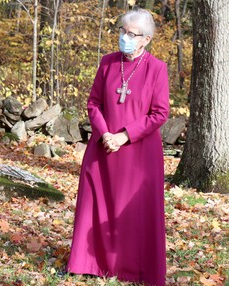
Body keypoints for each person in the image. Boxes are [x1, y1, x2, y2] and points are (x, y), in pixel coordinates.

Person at [66, 8, 169, 286]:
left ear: (145, 39)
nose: (125, 37)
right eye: (122, 31)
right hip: (103, 146)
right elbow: (93, 103)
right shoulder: (108, 62)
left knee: (134, 211)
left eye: (131, 34)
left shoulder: (157, 68)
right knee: (96, 204)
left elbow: (160, 113)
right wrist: (105, 133)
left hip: (139, 154)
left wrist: (124, 136)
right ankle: (89, 263)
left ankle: (133, 268)